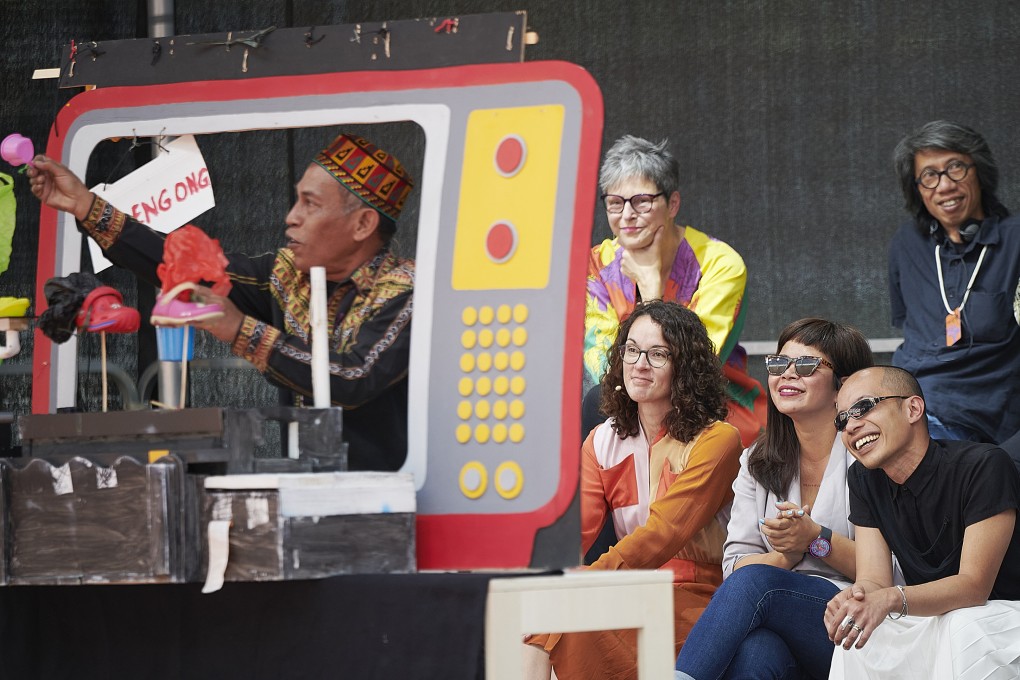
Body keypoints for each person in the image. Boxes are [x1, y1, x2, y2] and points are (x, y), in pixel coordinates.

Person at [27, 133, 415, 471]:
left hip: (393, 494)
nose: (291, 218)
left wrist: (238, 329)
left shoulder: (406, 292)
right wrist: (87, 207)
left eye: (310, 204)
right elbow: (185, 270)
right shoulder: (283, 276)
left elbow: (355, 377)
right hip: (303, 483)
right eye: (296, 201)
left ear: (363, 225)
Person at [525, 300, 743, 680]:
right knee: (531, 614)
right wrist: (536, 579)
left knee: (557, 619)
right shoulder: (602, 440)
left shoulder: (717, 440)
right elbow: (572, 531)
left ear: (685, 367)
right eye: (632, 350)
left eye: (658, 354)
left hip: (696, 597)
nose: (640, 363)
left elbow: (664, 534)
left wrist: (587, 582)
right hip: (625, 587)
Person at [675, 318, 878, 680]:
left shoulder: (870, 454)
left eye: (805, 365)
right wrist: (787, 554)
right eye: (778, 364)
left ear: (843, 386)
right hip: (780, 620)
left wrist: (816, 540)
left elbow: (892, 570)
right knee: (756, 652)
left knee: (758, 583)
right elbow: (734, 565)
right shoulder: (757, 459)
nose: (786, 375)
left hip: (855, 618)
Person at [824, 366, 1020, 678]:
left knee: (963, 625)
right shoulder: (863, 479)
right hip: (935, 614)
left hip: (1004, 614)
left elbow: (974, 588)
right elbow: (874, 580)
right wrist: (856, 598)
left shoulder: (983, 465)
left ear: (913, 408)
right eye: (842, 419)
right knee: (863, 633)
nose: (850, 426)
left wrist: (890, 599)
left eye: (863, 407)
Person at [583, 135, 764, 448]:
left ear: (673, 204)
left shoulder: (719, 264)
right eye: (615, 202)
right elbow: (603, 367)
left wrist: (651, 290)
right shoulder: (598, 264)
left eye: (641, 201)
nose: (626, 215)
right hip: (626, 412)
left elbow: (692, 368)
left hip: (713, 411)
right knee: (594, 401)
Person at [888, 120, 1020, 444]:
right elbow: (906, 323)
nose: (944, 186)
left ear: (979, 172)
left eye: (955, 168)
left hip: (976, 420)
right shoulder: (906, 242)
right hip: (902, 404)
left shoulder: (1015, 240)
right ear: (917, 189)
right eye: (929, 176)